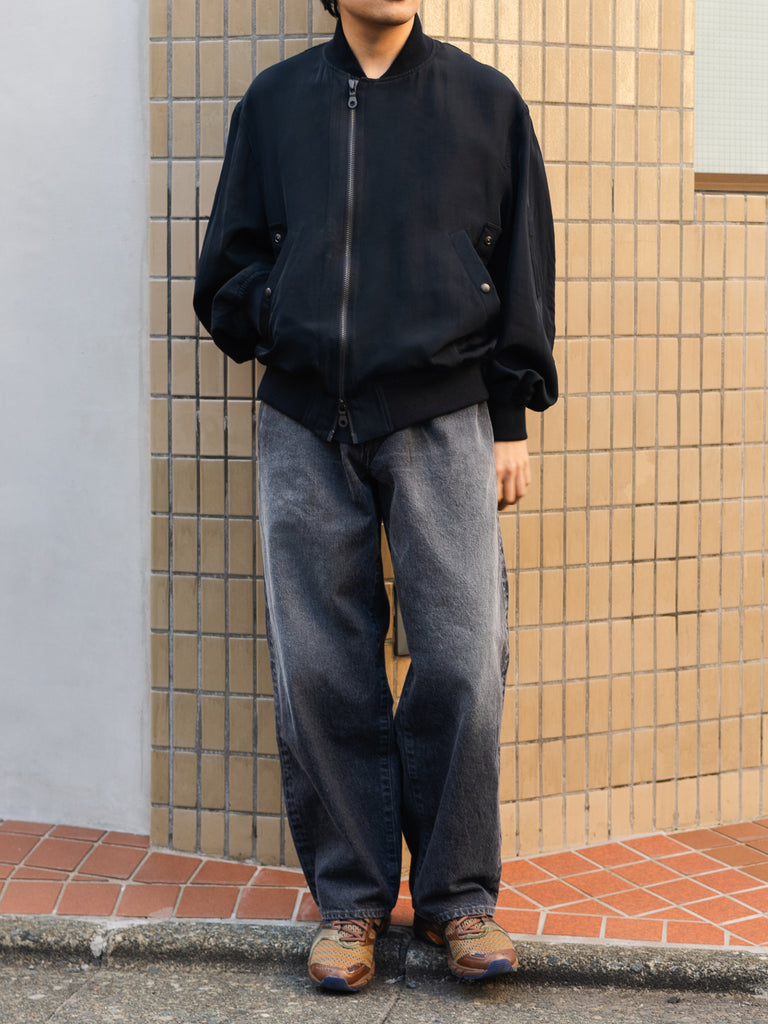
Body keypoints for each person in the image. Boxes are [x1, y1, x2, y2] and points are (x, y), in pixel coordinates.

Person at [194, 0, 557, 992]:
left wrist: (511, 419)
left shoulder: (485, 102)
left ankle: (456, 899)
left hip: (444, 415)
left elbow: (521, 268)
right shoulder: (275, 103)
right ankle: (351, 902)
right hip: (303, 418)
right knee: (319, 663)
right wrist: (278, 307)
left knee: (464, 655)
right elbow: (228, 264)